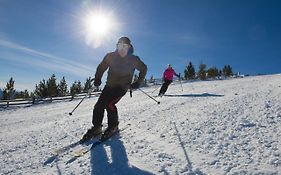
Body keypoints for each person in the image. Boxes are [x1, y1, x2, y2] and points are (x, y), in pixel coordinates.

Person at [81, 36, 147, 142]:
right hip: (109, 86)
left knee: (110, 104)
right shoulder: (110, 56)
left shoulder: (134, 59)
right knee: (99, 105)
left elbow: (143, 69)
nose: (122, 48)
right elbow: (102, 67)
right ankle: (97, 127)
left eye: (125, 46)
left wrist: (138, 82)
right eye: (120, 46)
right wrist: (98, 78)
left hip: (122, 87)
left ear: (129, 47)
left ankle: (113, 126)